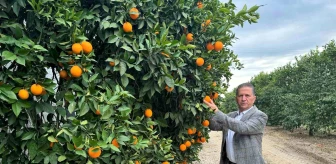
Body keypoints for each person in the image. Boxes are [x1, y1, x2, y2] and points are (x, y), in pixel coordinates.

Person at [203, 82, 268, 164]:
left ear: (254, 98)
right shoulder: (231, 115)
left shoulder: (260, 116)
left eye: (247, 95)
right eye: (240, 95)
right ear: (236, 98)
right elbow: (214, 126)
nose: (243, 99)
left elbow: (243, 128)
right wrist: (206, 109)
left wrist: (216, 111)